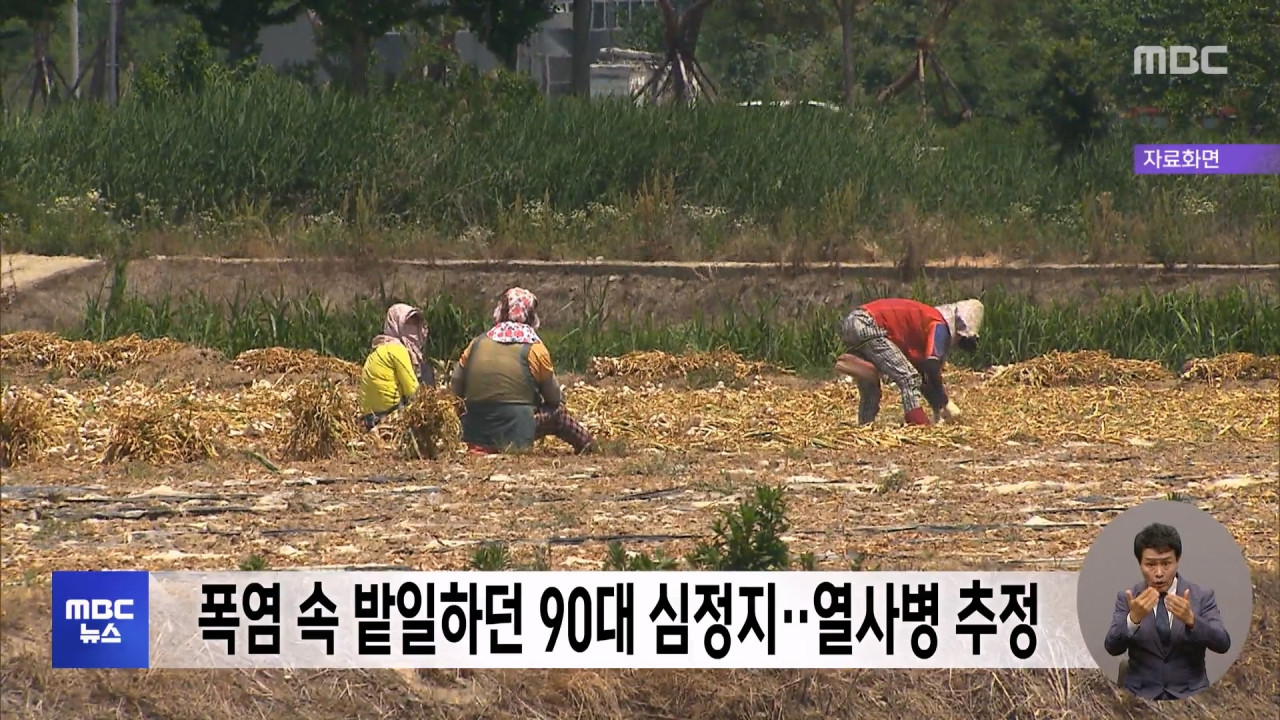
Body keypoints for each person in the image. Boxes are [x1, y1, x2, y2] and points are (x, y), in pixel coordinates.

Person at [449, 287, 594, 455]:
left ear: (501, 312)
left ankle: (482, 443)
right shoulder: (535, 349)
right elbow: (553, 397)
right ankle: (589, 445)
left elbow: (456, 383)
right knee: (558, 412)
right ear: (531, 315)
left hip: (475, 430)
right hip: (515, 430)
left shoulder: (477, 343)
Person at [1103, 522, 1231, 701]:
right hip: (1139, 698)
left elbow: (1223, 643)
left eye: (1166, 563)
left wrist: (1192, 620)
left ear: (1177, 561)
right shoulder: (1128, 598)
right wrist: (1132, 620)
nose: (1159, 573)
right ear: (1140, 563)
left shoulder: (1201, 596)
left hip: (1192, 697)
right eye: (1150, 564)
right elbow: (1112, 647)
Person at [833, 297, 984, 426]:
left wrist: (938, 407)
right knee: (908, 379)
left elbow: (923, 377)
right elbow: (931, 368)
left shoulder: (921, 325)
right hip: (869, 324)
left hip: (857, 322)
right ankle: (917, 426)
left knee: (871, 390)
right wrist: (945, 403)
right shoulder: (939, 324)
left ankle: (865, 426)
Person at [358, 303, 431, 431]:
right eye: (408, 325)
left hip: (368, 417)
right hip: (387, 414)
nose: (413, 331)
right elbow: (412, 390)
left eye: (415, 325)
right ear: (396, 326)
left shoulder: (377, 350)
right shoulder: (397, 350)